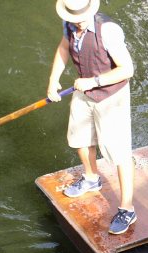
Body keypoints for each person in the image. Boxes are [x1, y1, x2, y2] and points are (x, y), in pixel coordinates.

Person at [47, 0, 136, 234]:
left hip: (110, 95)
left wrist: (93, 82)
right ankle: (90, 178)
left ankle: (127, 208)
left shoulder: (108, 31)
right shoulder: (69, 24)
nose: (76, 20)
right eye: (72, 16)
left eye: (80, 16)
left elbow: (127, 69)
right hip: (84, 91)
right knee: (80, 139)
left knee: (119, 153)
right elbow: (64, 48)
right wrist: (53, 80)